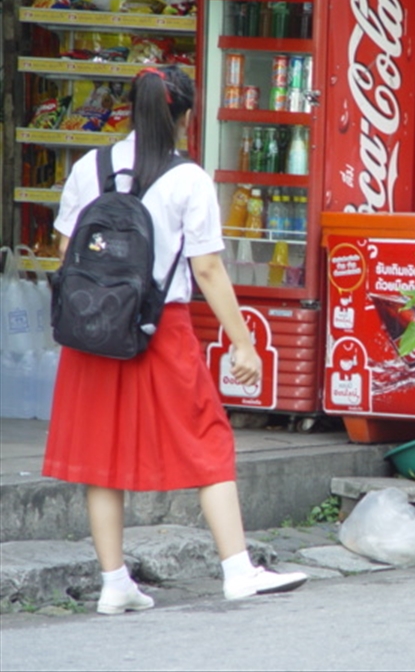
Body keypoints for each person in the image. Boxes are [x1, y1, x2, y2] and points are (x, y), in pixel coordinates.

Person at [42, 66, 307, 614]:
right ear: (184, 116)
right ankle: (237, 570)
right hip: (161, 326)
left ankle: (114, 582)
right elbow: (207, 268)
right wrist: (244, 342)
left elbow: (65, 251)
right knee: (207, 439)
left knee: (99, 453)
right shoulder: (188, 178)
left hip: (94, 331)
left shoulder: (89, 167)